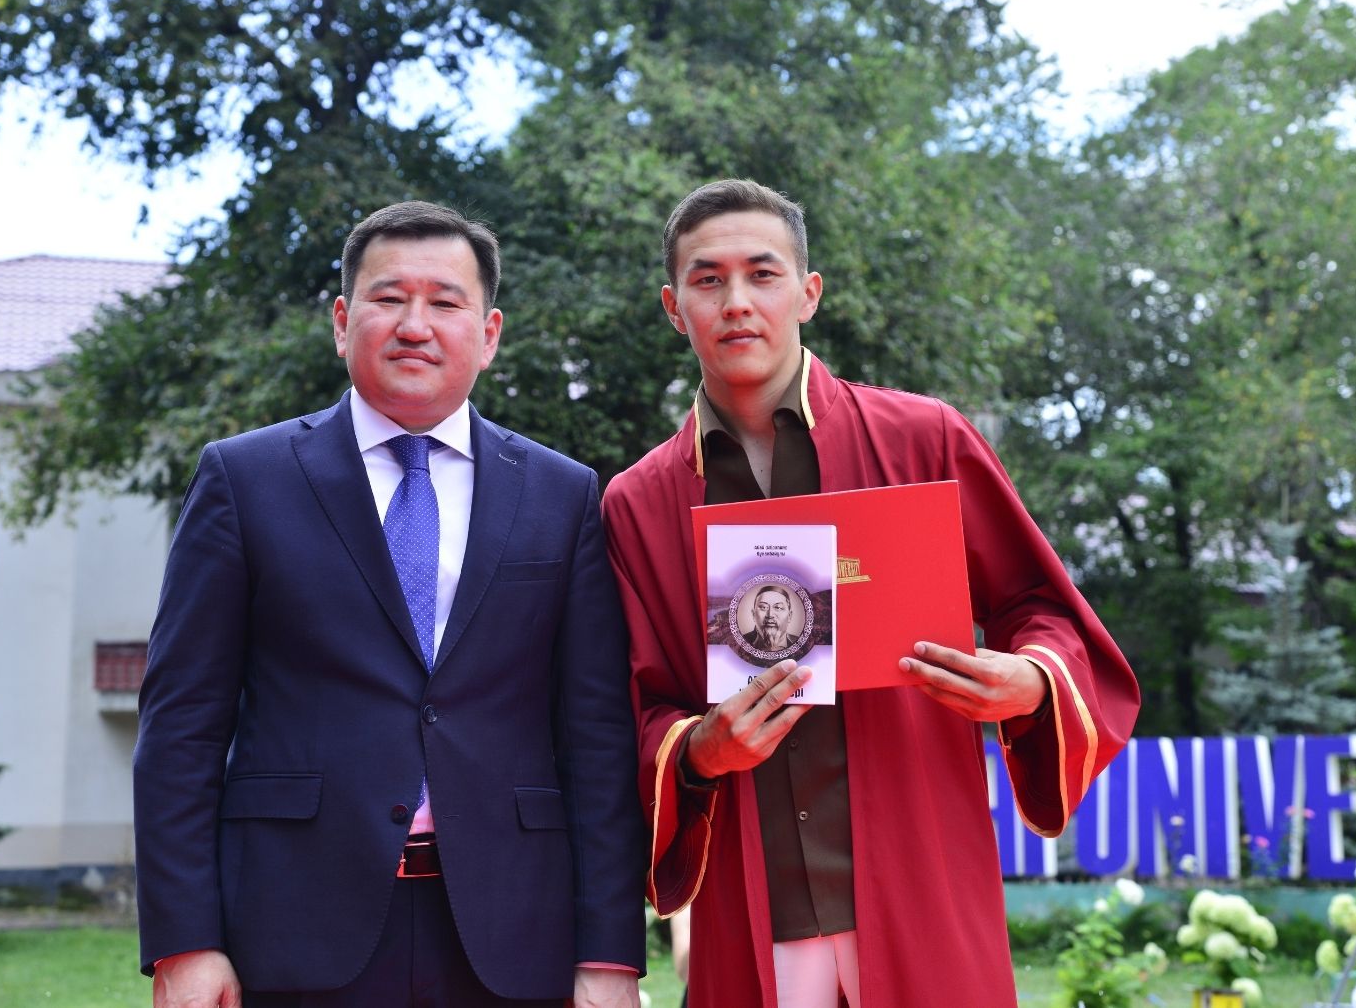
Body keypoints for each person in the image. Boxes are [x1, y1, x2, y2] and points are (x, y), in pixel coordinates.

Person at [602, 179, 1140, 1008]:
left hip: (919, 875)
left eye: (763, 274)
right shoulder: (638, 505)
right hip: (752, 897)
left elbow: (1041, 605)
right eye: (708, 280)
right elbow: (628, 710)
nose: (736, 301)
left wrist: (1031, 680)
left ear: (808, 293)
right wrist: (700, 750)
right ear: (675, 308)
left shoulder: (924, 441)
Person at [134, 201, 646, 1008]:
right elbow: (181, 727)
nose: (415, 325)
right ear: (343, 322)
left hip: (513, 938)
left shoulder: (563, 494)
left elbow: (597, 740)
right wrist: (185, 941)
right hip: (293, 932)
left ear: (489, 334)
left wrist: (610, 952)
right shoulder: (246, 480)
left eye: (445, 302)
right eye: (388, 298)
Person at [742, 585, 796, 652]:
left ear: (789, 616)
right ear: (753, 614)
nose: (770, 615)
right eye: (763, 607)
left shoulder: (801, 645)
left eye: (778, 607)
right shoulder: (741, 642)